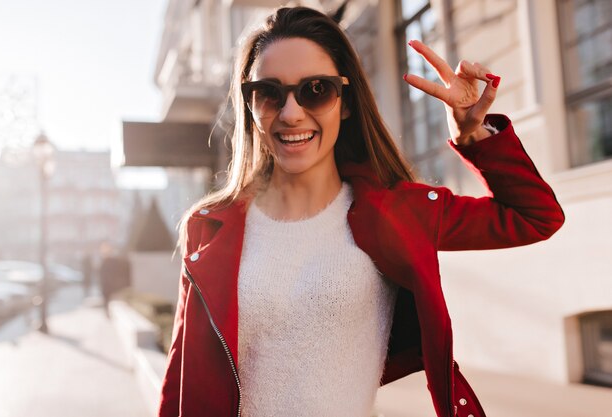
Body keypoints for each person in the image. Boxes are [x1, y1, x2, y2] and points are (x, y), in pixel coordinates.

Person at [158, 6, 564, 417]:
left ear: (346, 102)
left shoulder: (396, 212)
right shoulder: (209, 226)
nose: (291, 112)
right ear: (250, 104)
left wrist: (473, 135)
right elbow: (179, 381)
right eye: (269, 93)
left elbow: (535, 216)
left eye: (316, 89)